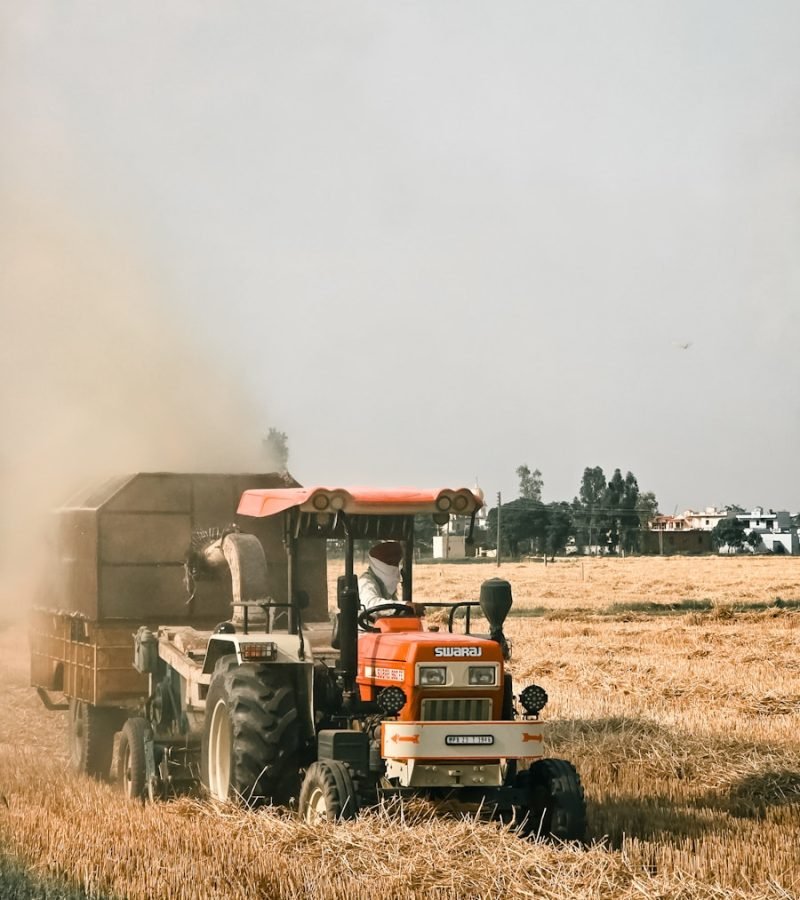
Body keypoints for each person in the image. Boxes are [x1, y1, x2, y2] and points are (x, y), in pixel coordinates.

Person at [358, 541, 404, 611]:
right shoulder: (366, 581)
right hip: (367, 621)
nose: (394, 567)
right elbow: (371, 604)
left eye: (396, 563)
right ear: (379, 564)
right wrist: (404, 605)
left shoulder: (386, 586)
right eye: (390, 563)